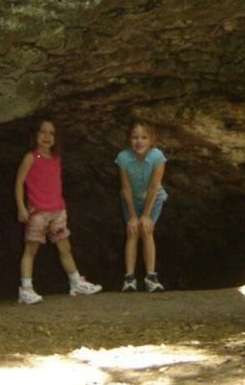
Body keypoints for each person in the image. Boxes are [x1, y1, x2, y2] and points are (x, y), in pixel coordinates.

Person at [14, 119, 102, 305]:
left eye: (51, 133)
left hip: (57, 211)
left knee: (65, 247)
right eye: (43, 132)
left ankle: (76, 282)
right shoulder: (31, 157)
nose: (47, 137)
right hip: (38, 212)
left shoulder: (56, 157)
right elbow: (19, 183)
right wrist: (21, 207)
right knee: (31, 250)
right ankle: (26, 289)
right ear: (35, 135)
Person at [115, 120, 168, 292]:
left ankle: (151, 277)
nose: (139, 141)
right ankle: (129, 279)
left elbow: (154, 187)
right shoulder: (123, 158)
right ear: (129, 139)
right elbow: (126, 188)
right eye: (135, 137)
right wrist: (132, 216)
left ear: (151, 139)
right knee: (132, 232)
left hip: (153, 199)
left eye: (144, 137)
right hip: (131, 199)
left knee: (146, 231)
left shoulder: (157, 157)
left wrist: (145, 215)